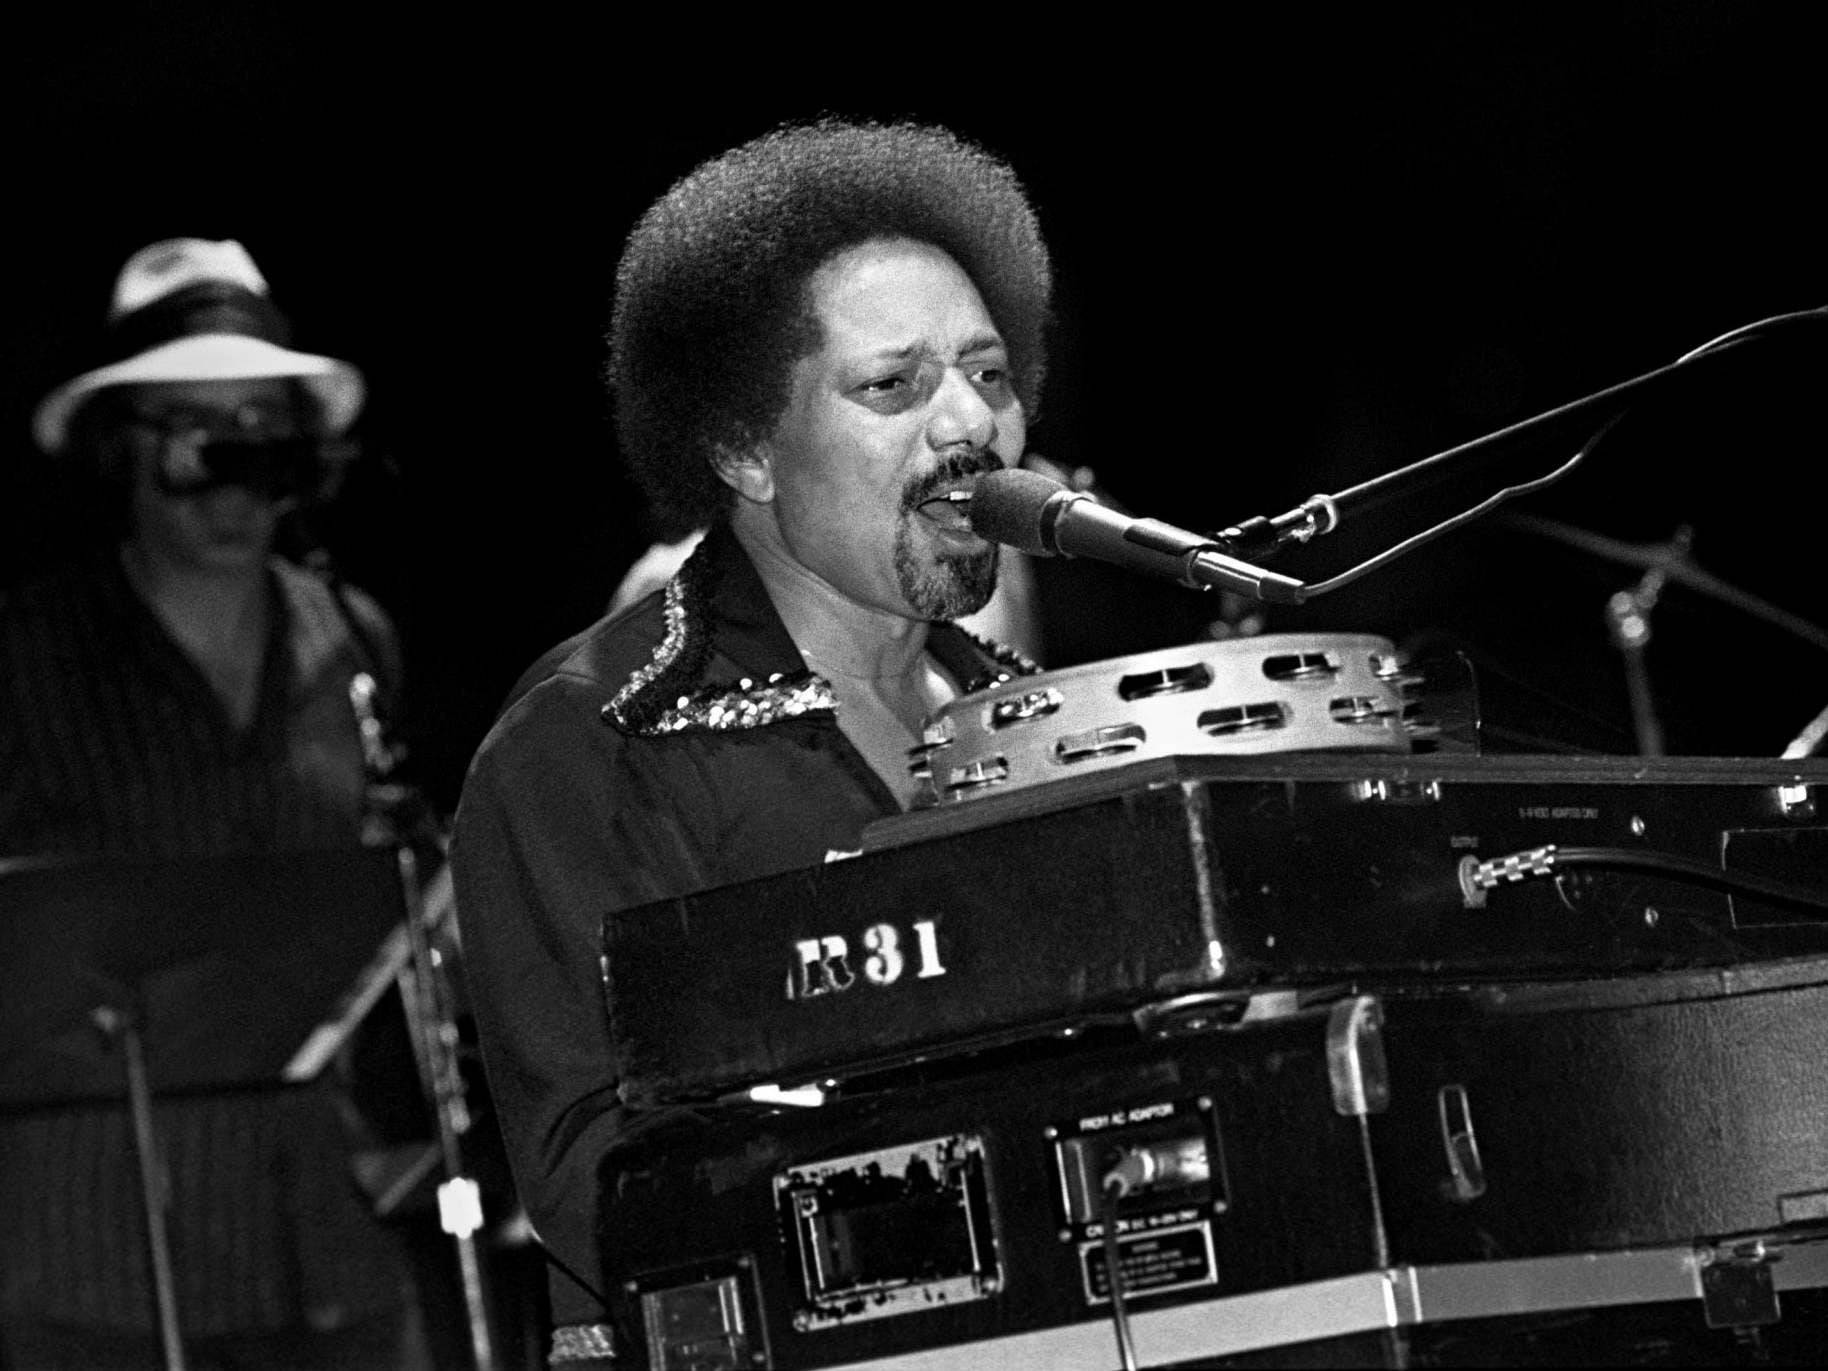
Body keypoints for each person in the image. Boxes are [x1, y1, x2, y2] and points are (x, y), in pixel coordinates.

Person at [451, 118, 1057, 1366]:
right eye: (892, 386)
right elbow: (612, 1184)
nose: (970, 425)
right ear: (739, 446)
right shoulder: (593, 740)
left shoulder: (1026, 716)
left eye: (988, 375)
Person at [0, 238, 425, 1368]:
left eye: (267, 447)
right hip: (93, 1255)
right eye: (200, 446)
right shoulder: (26, 654)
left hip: (319, 1241)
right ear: (119, 454)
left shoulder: (352, 634)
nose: (240, 487)